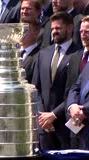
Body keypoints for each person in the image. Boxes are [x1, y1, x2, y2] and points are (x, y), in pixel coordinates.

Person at [32, 11, 80, 152]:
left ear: (70, 28)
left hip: (65, 125)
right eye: (52, 29)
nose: (54, 32)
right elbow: (35, 88)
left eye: (58, 28)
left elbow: (74, 91)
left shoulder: (78, 54)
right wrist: (42, 116)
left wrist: (53, 115)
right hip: (44, 126)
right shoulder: (43, 54)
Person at [65, 15, 89, 160]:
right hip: (80, 129)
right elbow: (75, 86)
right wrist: (72, 106)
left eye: (87, 31)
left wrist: (84, 109)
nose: (83, 35)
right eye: (81, 31)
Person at [20, 16, 41, 83]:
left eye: (25, 31)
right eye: (20, 30)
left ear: (36, 33)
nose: (21, 34)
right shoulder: (13, 53)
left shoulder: (39, 56)